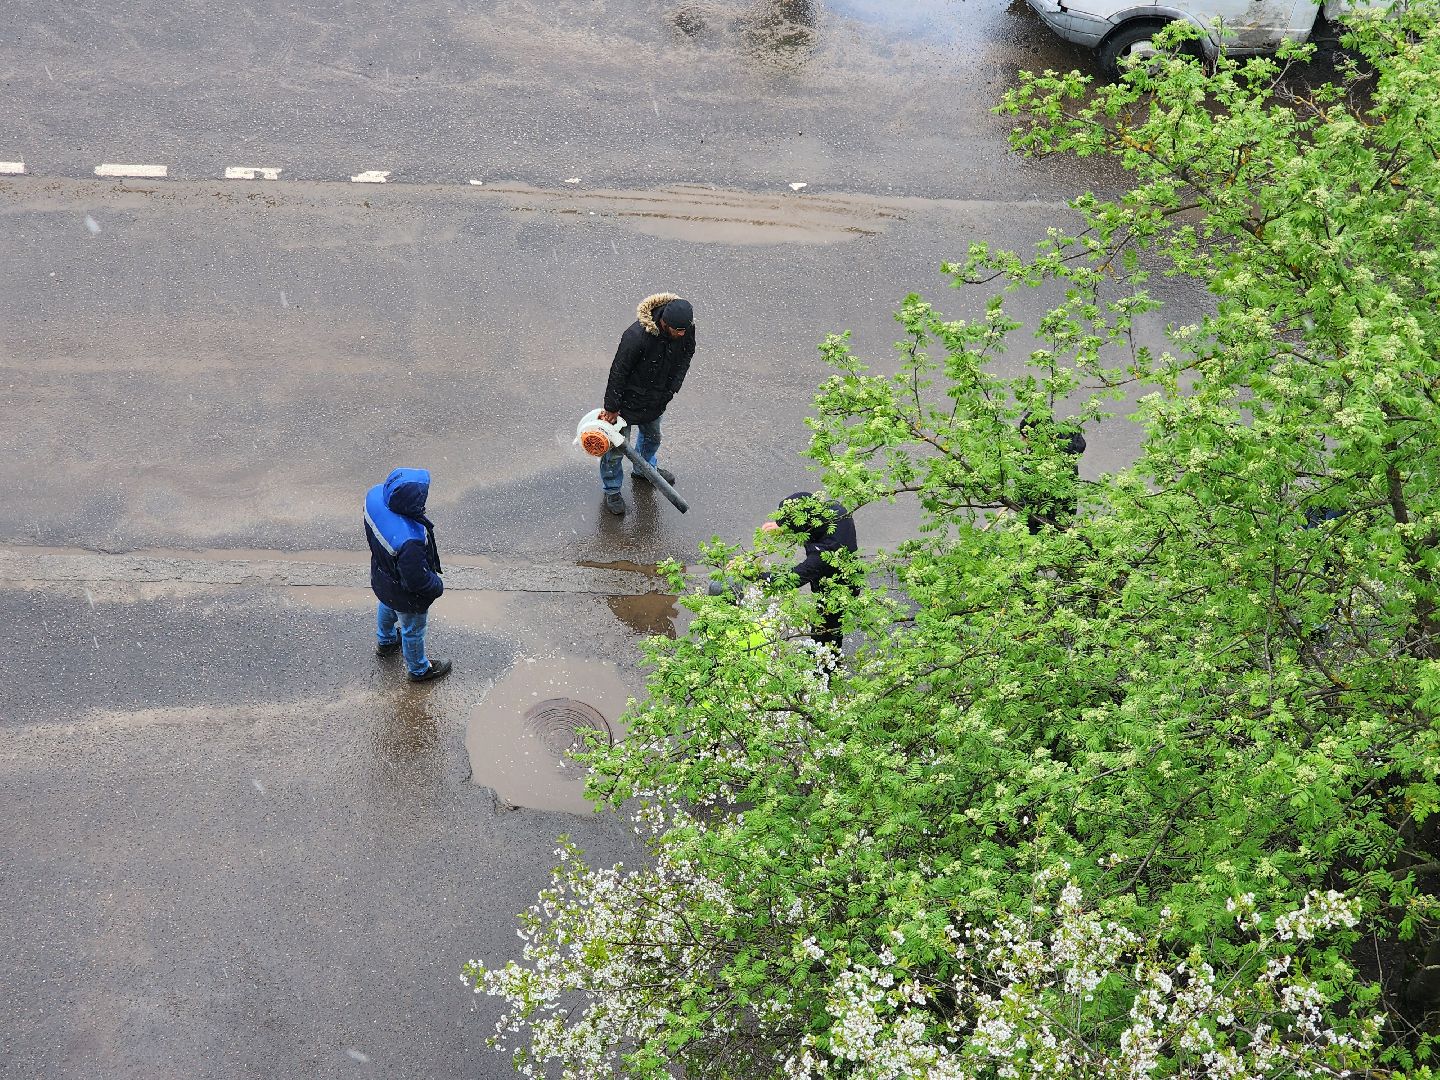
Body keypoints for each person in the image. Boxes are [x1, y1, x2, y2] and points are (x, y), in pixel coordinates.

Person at [597, 293, 696, 515]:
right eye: (677, 330)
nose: (682, 334)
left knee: (653, 437)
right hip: (626, 402)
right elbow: (619, 371)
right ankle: (612, 489)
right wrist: (611, 407)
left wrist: (672, 387)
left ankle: (644, 470)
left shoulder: (685, 328)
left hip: (657, 396)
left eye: (684, 330)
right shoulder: (636, 336)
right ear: (664, 323)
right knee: (615, 450)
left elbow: (686, 355)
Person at [364, 467, 452, 683]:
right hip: (406, 595)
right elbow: (417, 580)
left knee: (387, 604)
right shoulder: (409, 540)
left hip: (383, 576)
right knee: (412, 629)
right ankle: (419, 670)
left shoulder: (374, 497)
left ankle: (385, 641)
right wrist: (436, 586)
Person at [761, 492, 859, 648]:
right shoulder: (835, 511)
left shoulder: (824, 555)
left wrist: (755, 575)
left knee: (825, 634)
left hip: (837, 591)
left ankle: (827, 664)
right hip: (848, 571)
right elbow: (803, 511)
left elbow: (791, 579)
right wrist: (782, 524)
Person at [1017, 413, 1086, 534]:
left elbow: (1025, 504)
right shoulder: (1065, 447)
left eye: (1024, 436)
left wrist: (1015, 502)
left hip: (1043, 520)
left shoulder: (1035, 466)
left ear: (1034, 436)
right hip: (1067, 510)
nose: (1022, 440)